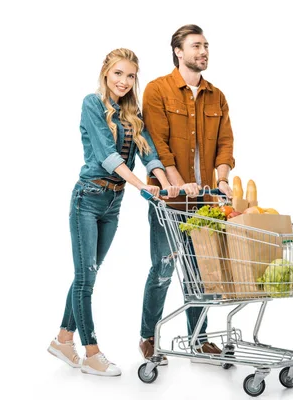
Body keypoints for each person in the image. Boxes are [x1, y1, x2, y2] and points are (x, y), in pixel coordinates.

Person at [47, 48, 184, 377]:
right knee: (85, 279)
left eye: (131, 76)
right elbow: (109, 157)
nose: (124, 81)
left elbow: (148, 149)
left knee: (88, 274)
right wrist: (142, 186)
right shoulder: (92, 104)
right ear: (106, 73)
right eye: (118, 74)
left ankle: (63, 340)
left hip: (113, 202)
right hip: (88, 197)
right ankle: (91, 351)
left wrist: (165, 184)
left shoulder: (131, 111)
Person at [139, 24, 235, 366]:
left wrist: (222, 180)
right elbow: (157, 144)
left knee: (202, 271)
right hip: (170, 199)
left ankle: (199, 339)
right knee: (164, 269)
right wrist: (178, 183)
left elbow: (225, 144)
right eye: (196, 46)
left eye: (206, 45)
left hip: (206, 200)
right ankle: (150, 336)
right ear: (178, 51)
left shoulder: (216, 96)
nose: (204, 51)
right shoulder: (157, 90)